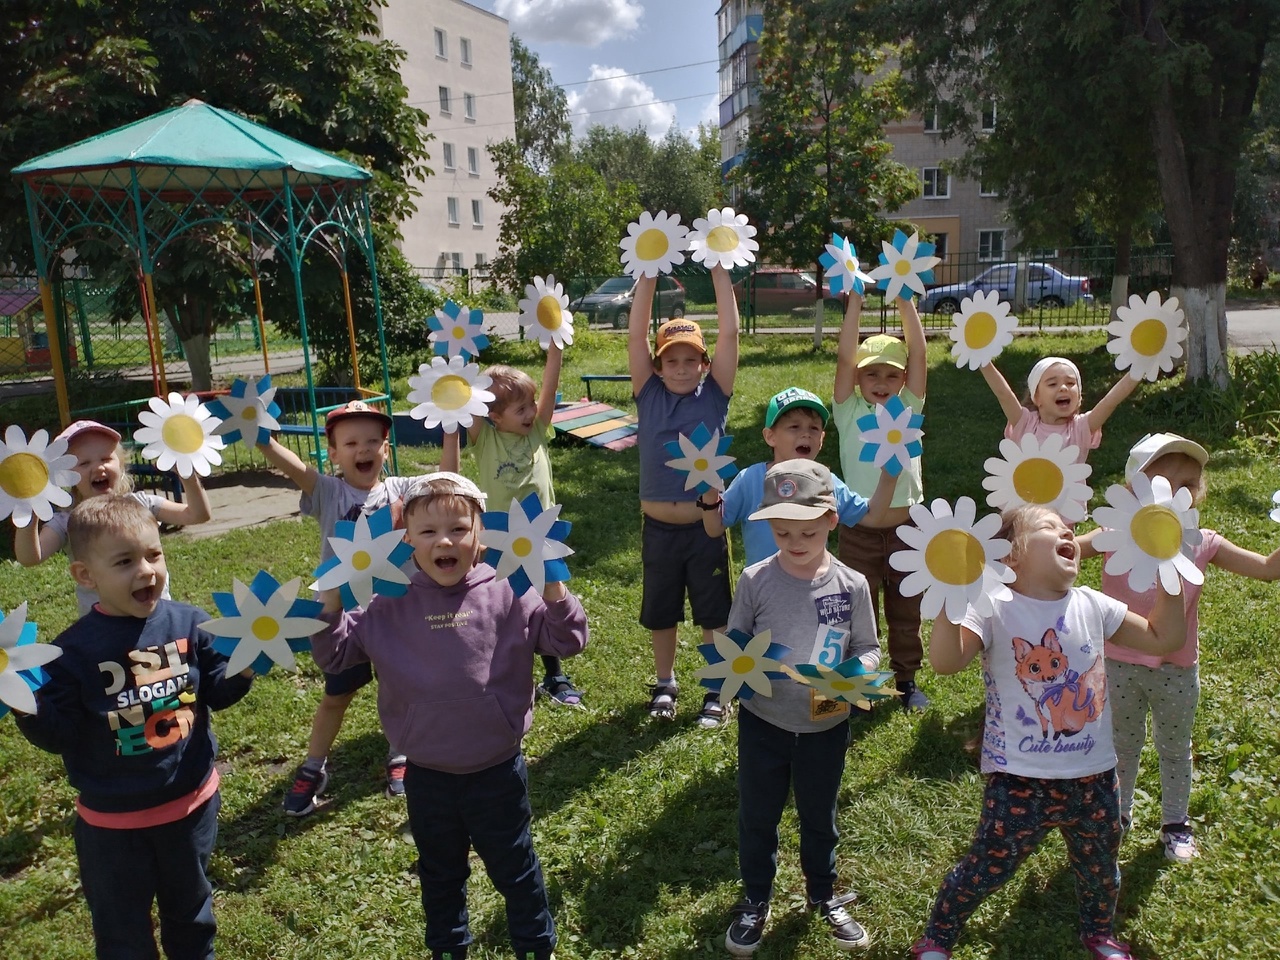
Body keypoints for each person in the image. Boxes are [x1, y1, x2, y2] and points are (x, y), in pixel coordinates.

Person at [310, 473, 588, 960]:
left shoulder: (508, 590)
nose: (444, 541)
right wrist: (331, 595)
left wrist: (551, 581)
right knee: (440, 874)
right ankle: (448, 948)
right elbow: (335, 657)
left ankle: (535, 945)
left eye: (459, 529)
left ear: (481, 534)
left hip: (496, 769)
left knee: (514, 867)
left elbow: (568, 641)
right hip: (428, 774)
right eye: (427, 531)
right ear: (405, 541)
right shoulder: (384, 604)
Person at [911, 504, 1188, 960]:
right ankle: (938, 937)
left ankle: (1099, 934)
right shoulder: (992, 607)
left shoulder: (1093, 604)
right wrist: (952, 594)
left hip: (1095, 777)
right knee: (986, 867)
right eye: (1049, 527)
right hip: (1019, 779)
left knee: (1100, 868)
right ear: (1010, 556)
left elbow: (1163, 639)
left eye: (1069, 528)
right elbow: (945, 661)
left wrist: (1169, 570)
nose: (1068, 532)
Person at [14, 495, 254, 960]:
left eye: (153, 554)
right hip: (113, 824)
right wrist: (26, 706)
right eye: (125, 562)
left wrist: (245, 666)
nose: (146, 571)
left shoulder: (191, 623)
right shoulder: (72, 652)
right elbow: (58, 735)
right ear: (86, 576)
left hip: (190, 805)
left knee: (191, 914)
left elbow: (218, 693)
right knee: (122, 933)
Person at [1078, 432, 1280, 863]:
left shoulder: (1203, 542)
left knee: (1174, 748)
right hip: (1118, 664)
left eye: (1188, 485)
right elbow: (1068, 553)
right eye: (1164, 485)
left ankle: (1175, 823)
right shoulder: (1113, 533)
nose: (1177, 495)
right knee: (1121, 745)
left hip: (1176, 668)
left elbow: (1266, 570)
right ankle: (1118, 815)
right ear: (1133, 491)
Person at [722, 460, 878, 956]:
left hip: (825, 723)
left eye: (807, 530)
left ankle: (823, 893)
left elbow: (868, 647)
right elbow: (734, 639)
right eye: (782, 530)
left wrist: (856, 677)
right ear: (768, 523)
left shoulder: (852, 585)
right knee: (758, 815)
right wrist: (745, 662)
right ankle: (755, 897)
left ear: (832, 520)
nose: (795, 541)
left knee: (818, 814)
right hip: (763, 720)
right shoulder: (755, 579)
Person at [257, 399, 405, 814]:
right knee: (336, 693)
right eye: (352, 442)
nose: (364, 450)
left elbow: (448, 480)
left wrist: (452, 430)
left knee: (399, 686)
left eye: (374, 441)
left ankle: (400, 754)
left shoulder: (400, 491)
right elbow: (294, 469)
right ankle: (313, 766)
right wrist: (263, 440)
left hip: (392, 610)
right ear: (334, 453)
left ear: (386, 450)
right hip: (339, 613)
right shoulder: (327, 491)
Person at [439, 342, 584, 708]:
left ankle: (556, 676)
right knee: (505, 607)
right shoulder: (484, 439)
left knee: (549, 600)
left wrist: (555, 353)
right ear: (494, 417)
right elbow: (467, 400)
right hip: (498, 540)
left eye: (531, 405)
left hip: (541, 538)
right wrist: (458, 358)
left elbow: (548, 391)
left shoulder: (536, 431)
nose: (531, 413)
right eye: (521, 409)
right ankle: (510, 675)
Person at [627, 265, 738, 726]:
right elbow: (636, 333)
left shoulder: (714, 394)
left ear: (705, 364)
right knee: (662, 612)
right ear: (657, 365)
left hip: (704, 526)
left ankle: (716, 690)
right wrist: (648, 273)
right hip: (658, 531)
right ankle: (665, 682)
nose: (681, 368)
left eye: (691, 359)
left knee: (714, 613)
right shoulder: (647, 394)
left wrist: (718, 271)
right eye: (671, 360)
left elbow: (730, 332)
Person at [833, 292, 931, 711]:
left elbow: (922, 354)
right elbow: (842, 358)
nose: (880, 383)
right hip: (859, 533)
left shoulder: (909, 407)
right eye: (870, 374)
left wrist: (906, 300)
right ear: (857, 379)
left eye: (891, 375)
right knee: (860, 609)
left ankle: (906, 680)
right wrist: (854, 301)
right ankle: (862, 680)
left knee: (906, 611)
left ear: (905, 380)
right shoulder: (848, 410)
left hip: (908, 531)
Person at [13, 419, 211, 615]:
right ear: (65, 475)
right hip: (104, 628)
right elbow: (30, 558)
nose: (99, 467)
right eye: (84, 463)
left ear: (121, 464)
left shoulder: (140, 504)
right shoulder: (67, 522)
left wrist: (188, 475)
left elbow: (197, 515)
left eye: (106, 458)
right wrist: (29, 509)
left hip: (156, 616)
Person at [699, 386, 895, 568]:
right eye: (794, 427)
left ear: (822, 439)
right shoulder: (750, 479)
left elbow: (872, 517)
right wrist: (709, 492)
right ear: (770, 436)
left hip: (813, 589)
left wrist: (890, 475)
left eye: (814, 428)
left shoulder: (825, 481)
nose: (806, 434)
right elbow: (715, 527)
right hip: (764, 592)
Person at [977, 354, 1137, 466]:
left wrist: (1140, 368)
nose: (1063, 388)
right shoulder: (1025, 423)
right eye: (1052, 384)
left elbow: (1111, 400)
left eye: (1070, 383)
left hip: (1068, 513)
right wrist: (982, 359)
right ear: (1036, 397)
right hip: (1029, 512)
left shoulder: (1081, 428)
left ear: (1079, 397)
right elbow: (1004, 394)